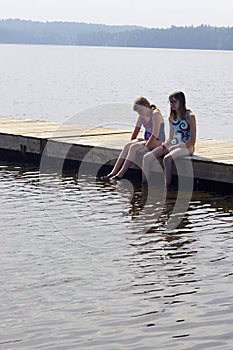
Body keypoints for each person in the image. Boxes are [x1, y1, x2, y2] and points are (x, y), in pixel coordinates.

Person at [142, 91, 196, 187]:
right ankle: (145, 185)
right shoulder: (172, 117)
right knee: (147, 157)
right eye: (170, 102)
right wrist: (166, 144)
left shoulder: (190, 116)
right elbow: (171, 138)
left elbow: (192, 141)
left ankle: (167, 186)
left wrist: (176, 146)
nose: (171, 105)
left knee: (167, 159)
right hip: (175, 144)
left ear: (181, 102)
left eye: (174, 102)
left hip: (187, 147)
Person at [105, 96, 165, 180]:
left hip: (157, 141)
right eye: (138, 112)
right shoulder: (142, 116)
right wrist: (131, 142)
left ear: (146, 105)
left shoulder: (155, 114)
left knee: (134, 147)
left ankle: (120, 174)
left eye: (140, 110)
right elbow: (136, 130)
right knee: (128, 146)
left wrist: (146, 147)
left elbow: (155, 134)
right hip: (147, 139)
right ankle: (113, 172)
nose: (140, 113)